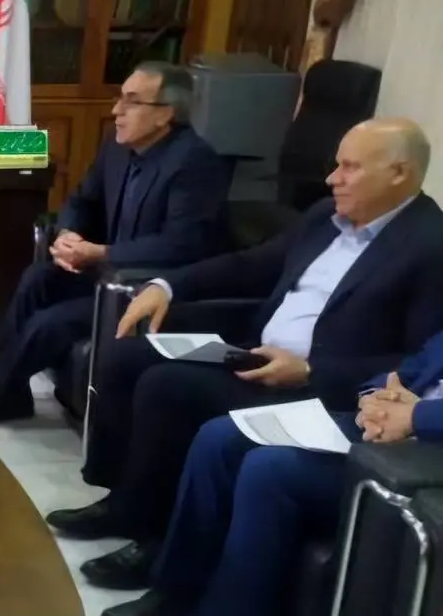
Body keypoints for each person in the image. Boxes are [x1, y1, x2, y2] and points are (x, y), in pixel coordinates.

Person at [48, 118, 443, 591]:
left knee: (169, 388)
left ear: (399, 173)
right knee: (126, 357)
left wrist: (312, 370)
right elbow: (252, 264)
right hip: (256, 351)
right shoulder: (327, 216)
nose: (332, 178)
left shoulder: (429, 245)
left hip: (316, 387)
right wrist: (167, 285)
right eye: (336, 165)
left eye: (350, 168)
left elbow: (416, 361)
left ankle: (154, 542)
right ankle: (124, 503)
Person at [0, 62, 229, 426]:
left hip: (143, 289)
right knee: (36, 280)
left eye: (131, 102)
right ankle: (6, 391)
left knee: (51, 322)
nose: (116, 110)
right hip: (104, 273)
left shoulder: (194, 162)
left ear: (166, 114)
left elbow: (182, 245)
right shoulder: (117, 148)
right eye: (119, 98)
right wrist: (68, 234)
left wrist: (102, 252)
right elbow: (82, 200)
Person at [99, 332, 443, 616]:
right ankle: (175, 591)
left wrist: (415, 417)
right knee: (220, 437)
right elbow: (416, 363)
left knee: (269, 468)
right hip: (391, 421)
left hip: (425, 454)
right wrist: (375, 397)